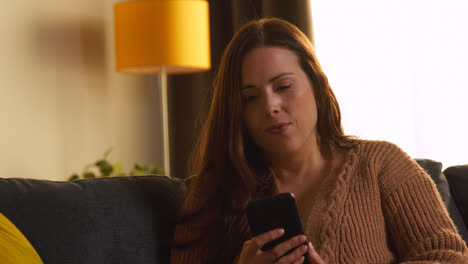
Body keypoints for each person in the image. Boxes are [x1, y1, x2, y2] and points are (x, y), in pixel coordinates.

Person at [170, 18, 468, 263]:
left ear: (318, 86)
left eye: (284, 86)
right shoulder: (212, 195)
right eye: (249, 97)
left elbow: (447, 256)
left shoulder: (381, 164)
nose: (270, 106)